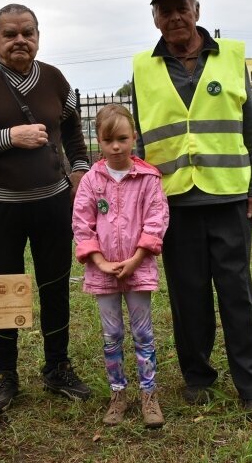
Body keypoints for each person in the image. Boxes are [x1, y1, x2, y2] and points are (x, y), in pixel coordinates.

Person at [131, 0, 252, 424]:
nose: (175, 16)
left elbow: (251, 130)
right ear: (155, 18)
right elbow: (139, 144)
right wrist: (141, 202)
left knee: (237, 293)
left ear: (197, 10)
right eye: (165, 9)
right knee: (187, 295)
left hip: (229, 198)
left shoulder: (230, 58)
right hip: (173, 203)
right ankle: (197, 378)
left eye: (182, 7)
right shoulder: (143, 69)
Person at [0, 3, 91, 413]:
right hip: (2, 208)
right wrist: (10, 136)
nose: (19, 41)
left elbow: (73, 136)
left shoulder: (55, 80)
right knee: (3, 289)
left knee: (55, 284)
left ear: (38, 37)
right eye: (10, 34)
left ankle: (57, 367)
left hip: (52, 204)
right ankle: (7, 374)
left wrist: (80, 171)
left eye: (28, 32)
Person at [72, 104, 169, 428]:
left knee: (143, 333)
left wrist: (137, 257)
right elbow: (82, 223)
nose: (116, 146)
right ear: (97, 140)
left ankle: (148, 395)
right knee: (111, 334)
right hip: (103, 273)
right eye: (109, 139)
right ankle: (118, 394)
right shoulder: (90, 181)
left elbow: (156, 219)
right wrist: (98, 260)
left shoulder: (148, 178)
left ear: (134, 138)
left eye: (123, 139)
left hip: (138, 270)